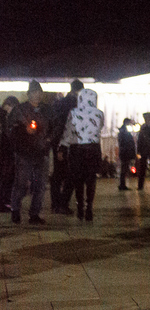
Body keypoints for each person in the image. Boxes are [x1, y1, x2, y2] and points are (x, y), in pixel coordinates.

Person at [10, 82, 51, 224]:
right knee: (21, 183)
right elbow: (11, 128)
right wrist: (24, 130)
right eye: (34, 92)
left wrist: (49, 139)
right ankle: (15, 209)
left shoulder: (46, 110)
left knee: (40, 185)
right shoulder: (20, 109)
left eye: (39, 92)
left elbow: (54, 126)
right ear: (29, 94)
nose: (37, 95)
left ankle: (34, 213)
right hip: (24, 152)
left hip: (41, 151)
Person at [63, 88, 104, 221]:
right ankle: (89, 207)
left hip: (77, 149)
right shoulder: (99, 113)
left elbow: (69, 130)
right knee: (91, 180)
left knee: (78, 180)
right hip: (93, 148)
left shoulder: (74, 112)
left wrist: (63, 145)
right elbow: (100, 127)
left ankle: (80, 206)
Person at [48, 80, 83, 214]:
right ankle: (62, 203)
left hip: (58, 141)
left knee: (58, 174)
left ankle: (56, 203)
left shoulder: (59, 103)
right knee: (72, 174)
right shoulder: (75, 104)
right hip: (70, 142)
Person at [0, 96, 18, 212]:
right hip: (4, 151)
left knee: (6, 177)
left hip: (7, 151)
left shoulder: (7, 117)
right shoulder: (3, 116)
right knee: (4, 177)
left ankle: (4, 200)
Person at [117, 117, 138, 191]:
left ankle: (122, 184)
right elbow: (127, 143)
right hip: (125, 153)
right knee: (124, 169)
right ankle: (122, 184)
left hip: (124, 152)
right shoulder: (124, 131)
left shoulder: (123, 131)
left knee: (124, 169)